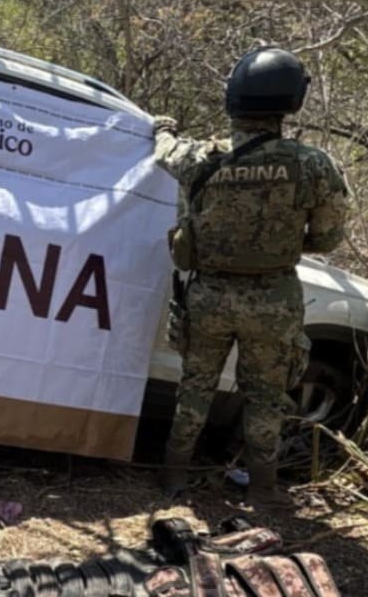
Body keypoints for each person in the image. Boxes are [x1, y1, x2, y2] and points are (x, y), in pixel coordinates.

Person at [153, 46, 349, 507]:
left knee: (195, 387)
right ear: (291, 102)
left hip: (208, 293)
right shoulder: (311, 164)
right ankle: (262, 488)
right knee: (266, 396)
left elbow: (163, 150)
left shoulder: (199, 158)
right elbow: (327, 237)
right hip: (273, 298)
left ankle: (172, 477)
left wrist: (163, 126)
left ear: (233, 98)